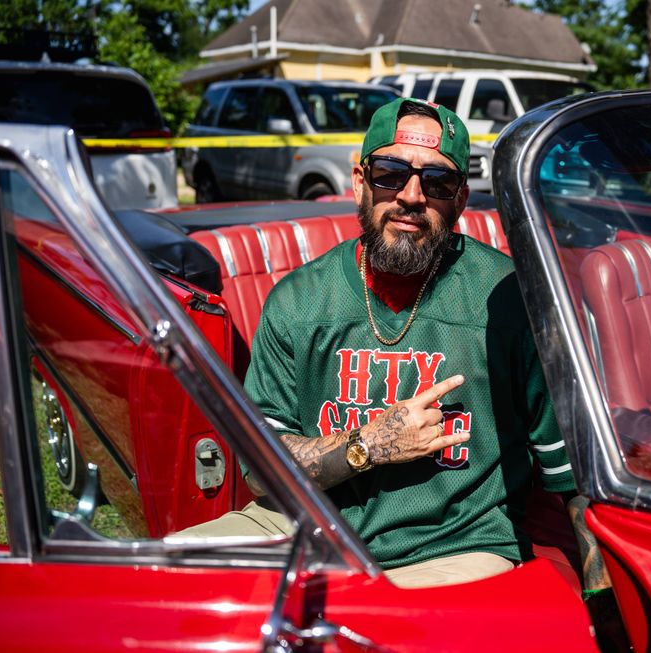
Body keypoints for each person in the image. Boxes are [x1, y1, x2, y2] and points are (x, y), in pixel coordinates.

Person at [189, 97, 608, 592]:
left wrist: (602, 594)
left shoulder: (510, 301)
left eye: (437, 182)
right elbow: (261, 469)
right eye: (391, 173)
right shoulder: (300, 301)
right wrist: (367, 445)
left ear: (460, 200)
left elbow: (572, 476)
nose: (411, 196)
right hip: (304, 528)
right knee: (154, 580)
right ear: (360, 184)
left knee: (383, 630)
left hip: (453, 545)